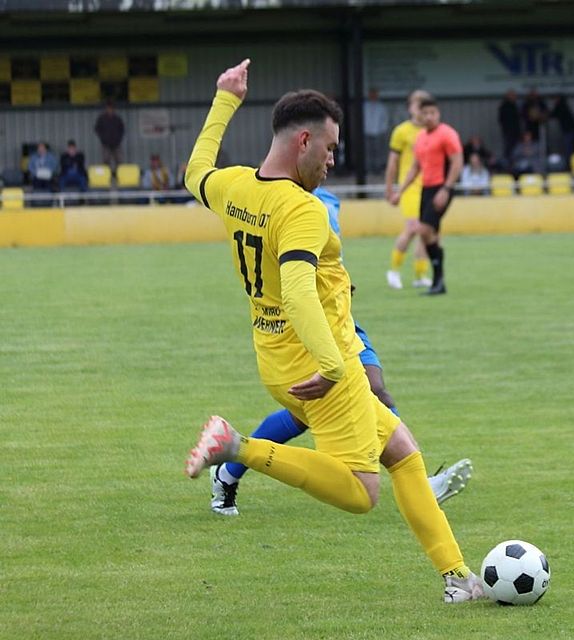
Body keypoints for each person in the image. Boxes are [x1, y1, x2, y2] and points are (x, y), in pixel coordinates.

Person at [183, 59, 484, 604]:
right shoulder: (302, 209)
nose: (332, 160)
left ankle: (456, 578)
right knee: (362, 491)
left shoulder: (233, 187)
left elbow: (194, 171)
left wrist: (224, 98)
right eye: (329, 148)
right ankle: (238, 448)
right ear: (303, 141)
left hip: (275, 356)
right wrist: (333, 366)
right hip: (318, 363)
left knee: (404, 453)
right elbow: (299, 291)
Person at [210, 185, 474, 516]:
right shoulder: (278, 201)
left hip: (341, 320)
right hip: (304, 328)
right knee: (302, 415)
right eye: (327, 148)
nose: (329, 158)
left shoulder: (326, 201)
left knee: (375, 389)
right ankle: (228, 470)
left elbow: (329, 260)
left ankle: (419, 480)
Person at [392, 97, 464, 296]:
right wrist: (400, 191)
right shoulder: (421, 138)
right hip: (426, 188)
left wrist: (447, 189)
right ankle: (438, 282)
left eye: (433, 113)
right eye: (426, 113)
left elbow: (457, 162)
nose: (429, 117)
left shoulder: (447, 134)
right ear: (420, 115)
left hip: (442, 188)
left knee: (424, 230)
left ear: (438, 114)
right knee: (431, 234)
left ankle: (437, 280)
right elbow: (415, 167)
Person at [385, 90, 432, 290]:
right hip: (410, 188)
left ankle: (420, 275)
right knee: (413, 228)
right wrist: (390, 189)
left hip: (429, 185)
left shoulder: (433, 131)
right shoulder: (402, 131)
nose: (419, 109)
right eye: (416, 104)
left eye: (423, 105)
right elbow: (393, 162)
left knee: (425, 231)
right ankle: (394, 271)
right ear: (410, 107)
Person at [363, 88, 389, 173]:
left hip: (378, 132)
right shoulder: (364, 106)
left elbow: (384, 119)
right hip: (366, 132)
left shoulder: (381, 106)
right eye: (371, 94)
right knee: (367, 151)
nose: (373, 96)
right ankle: (368, 168)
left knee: (378, 151)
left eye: (375, 94)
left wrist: (382, 131)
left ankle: (377, 168)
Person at [94, 100, 125, 171]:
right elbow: (97, 129)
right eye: (109, 108)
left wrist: (119, 138)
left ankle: (119, 176)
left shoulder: (118, 118)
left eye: (112, 108)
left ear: (113, 109)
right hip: (106, 144)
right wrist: (102, 137)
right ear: (106, 108)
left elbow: (122, 129)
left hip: (117, 144)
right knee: (106, 161)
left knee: (119, 160)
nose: (110, 110)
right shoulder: (101, 118)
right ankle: (107, 176)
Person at [550, 94, 574, 163]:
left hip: (569, 131)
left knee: (568, 148)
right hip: (568, 131)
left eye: (556, 99)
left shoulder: (561, 106)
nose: (554, 101)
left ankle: (569, 165)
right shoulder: (563, 106)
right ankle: (569, 163)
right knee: (568, 148)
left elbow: (552, 114)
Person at [497, 89, 522, 165]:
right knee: (509, 148)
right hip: (508, 131)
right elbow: (501, 119)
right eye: (512, 95)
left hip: (516, 131)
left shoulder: (515, 105)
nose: (514, 97)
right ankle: (508, 164)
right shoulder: (504, 106)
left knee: (517, 147)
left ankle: (515, 162)